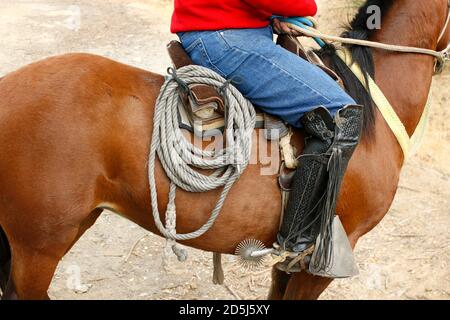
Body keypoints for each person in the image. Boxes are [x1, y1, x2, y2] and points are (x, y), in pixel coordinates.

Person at [171, 0, 363, 277]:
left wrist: (270, 15)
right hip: (226, 36)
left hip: (220, 27)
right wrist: (296, 7)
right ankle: (298, 242)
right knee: (340, 116)